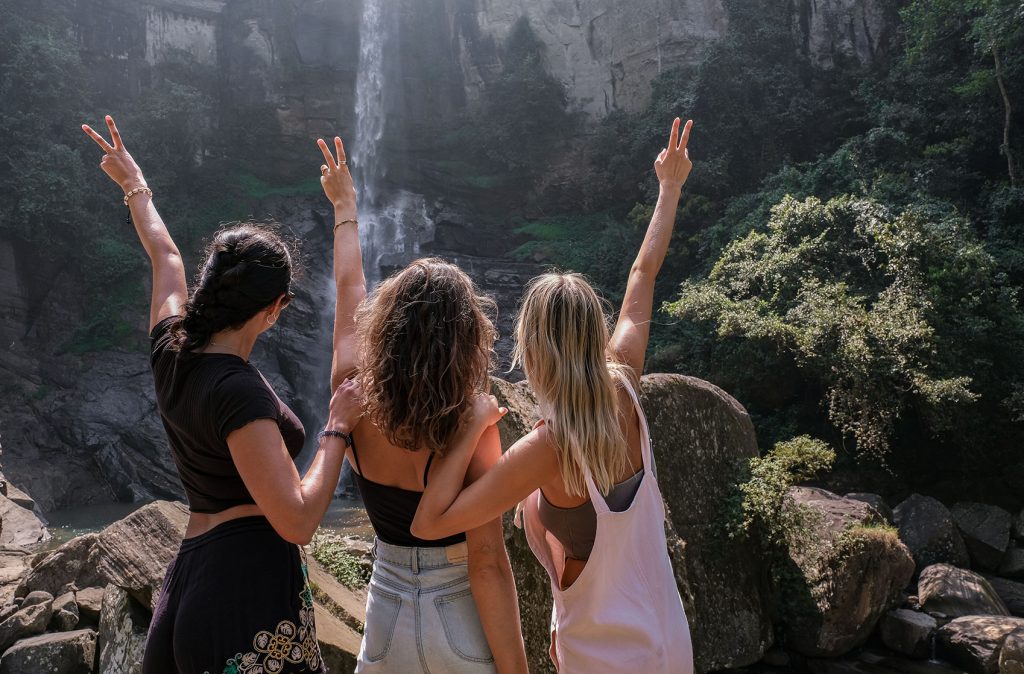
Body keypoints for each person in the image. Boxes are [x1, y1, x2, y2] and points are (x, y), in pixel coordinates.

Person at [411, 118, 696, 673]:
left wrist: (471, 429)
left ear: (533, 349)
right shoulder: (625, 384)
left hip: (605, 656)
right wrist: (670, 188)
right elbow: (643, 276)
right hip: (668, 640)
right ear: (594, 331)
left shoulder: (548, 449)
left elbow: (429, 523)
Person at [83, 116, 363, 674]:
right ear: (274, 309)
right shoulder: (237, 392)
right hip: (244, 595)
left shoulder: (171, 350)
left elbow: (165, 259)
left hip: (187, 583)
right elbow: (299, 521)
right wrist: (337, 425)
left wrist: (135, 186)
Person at [316, 138, 528, 673]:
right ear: (467, 339)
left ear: (383, 329)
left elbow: (348, 288)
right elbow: (487, 563)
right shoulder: (472, 424)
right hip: (457, 612)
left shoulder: (352, 393)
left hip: (385, 613)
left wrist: (344, 208)